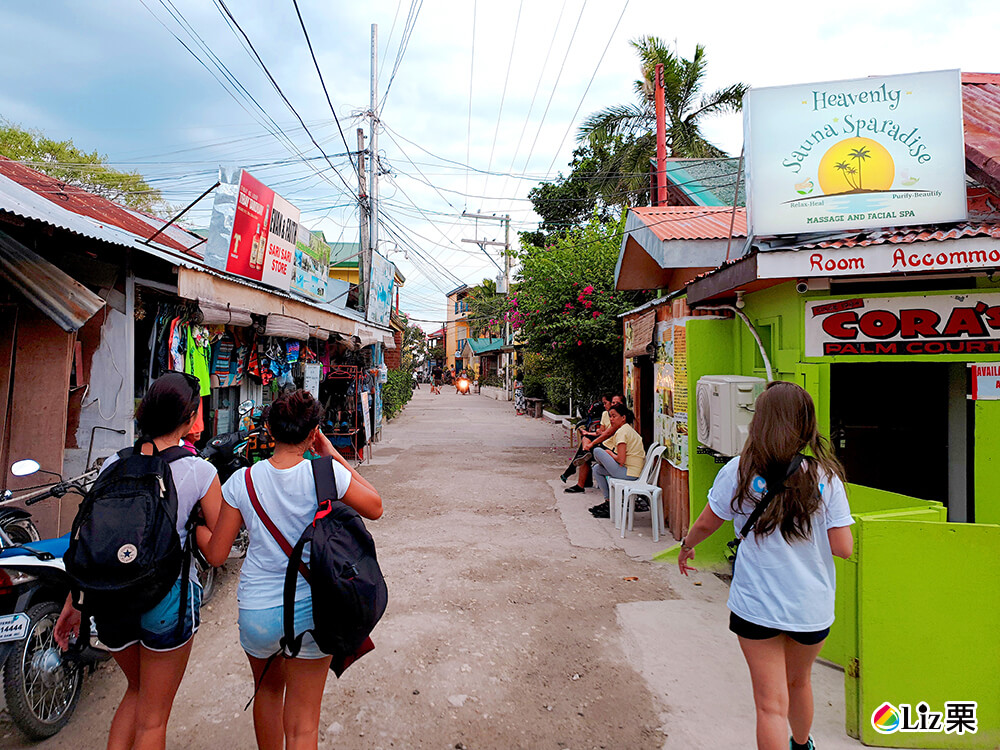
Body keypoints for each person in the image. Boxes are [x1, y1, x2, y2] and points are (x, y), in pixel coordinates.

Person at [196, 390, 383, 750]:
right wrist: (331, 454)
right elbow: (375, 505)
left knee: (266, 691)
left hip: (258, 612)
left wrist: (198, 531)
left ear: (268, 429)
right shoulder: (324, 475)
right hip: (313, 613)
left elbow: (217, 555)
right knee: (302, 725)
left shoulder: (242, 482)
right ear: (314, 432)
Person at [677, 381, 854, 750]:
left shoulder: (738, 471)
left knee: (769, 706)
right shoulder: (826, 479)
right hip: (810, 607)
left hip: (756, 604)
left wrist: (687, 546)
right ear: (807, 425)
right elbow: (843, 548)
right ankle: (802, 744)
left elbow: (709, 522)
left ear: (759, 422)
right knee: (799, 682)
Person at [54, 371, 221, 750]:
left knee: (135, 690)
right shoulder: (200, 471)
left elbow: (92, 539)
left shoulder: (115, 462)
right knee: (153, 720)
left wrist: (74, 603)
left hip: (108, 598)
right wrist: (193, 528)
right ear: (189, 417)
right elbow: (217, 551)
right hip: (166, 600)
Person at [587, 403, 645, 518]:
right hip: (630, 471)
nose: (611, 419)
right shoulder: (625, 429)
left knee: (597, 451)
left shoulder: (622, 432)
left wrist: (609, 454)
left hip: (629, 473)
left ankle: (610, 504)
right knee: (597, 469)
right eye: (610, 416)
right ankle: (609, 502)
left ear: (623, 418)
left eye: (614, 416)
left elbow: (621, 460)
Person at [563, 394, 624, 494]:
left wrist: (592, 444)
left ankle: (576, 477)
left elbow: (608, 433)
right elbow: (603, 432)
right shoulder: (607, 415)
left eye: (617, 403)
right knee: (585, 447)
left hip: (611, 448)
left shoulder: (621, 420)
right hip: (605, 443)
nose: (614, 405)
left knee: (587, 450)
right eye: (613, 403)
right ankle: (580, 479)